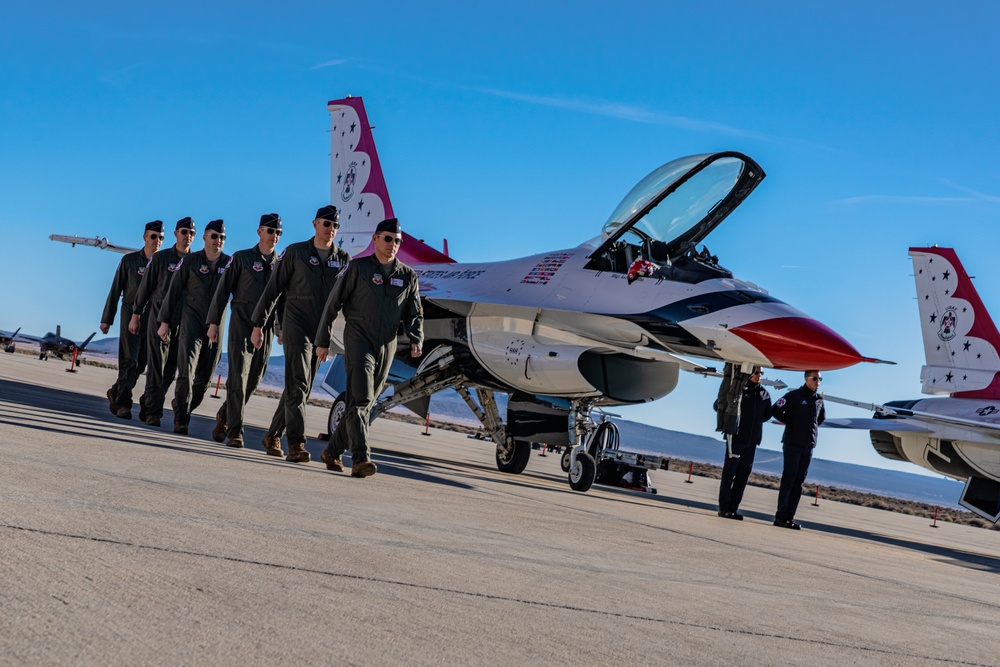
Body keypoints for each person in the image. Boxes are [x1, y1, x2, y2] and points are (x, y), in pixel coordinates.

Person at [315, 217, 423, 478]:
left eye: (397, 241)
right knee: (363, 399)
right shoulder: (358, 268)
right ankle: (361, 459)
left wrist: (417, 337)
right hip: (358, 339)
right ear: (375, 239)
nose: (393, 244)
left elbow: (414, 313)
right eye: (388, 239)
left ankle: (332, 451)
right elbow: (333, 304)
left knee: (360, 402)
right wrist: (323, 340)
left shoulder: (407, 276)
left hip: (387, 344)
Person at [250, 205, 351, 462]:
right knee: (298, 383)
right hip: (296, 323)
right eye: (326, 224)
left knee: (301, 389)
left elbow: (346, 301)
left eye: (335, 226)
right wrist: (259, 324)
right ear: (315, 224)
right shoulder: (295, 252)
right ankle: (296, 443)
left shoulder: (343, 259)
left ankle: (272, 435)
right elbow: (272, 291)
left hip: (321, 331)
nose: (331, 229)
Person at [206, 213, 285, 449]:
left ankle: (224, 414)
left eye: (278, 233)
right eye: (270, 231)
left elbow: (283, 300)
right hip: (242, 321)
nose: (274, 237)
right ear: (260, 231)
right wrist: (213, 323)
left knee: (255, 378)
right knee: (238, 375)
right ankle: (235, 432)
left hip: (267, 327)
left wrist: (281, 329)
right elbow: (222, 292)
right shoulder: (241, 259)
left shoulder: (281, 264)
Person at [157, 219, 231, 434]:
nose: (218, 241)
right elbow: (173, 293)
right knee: (186, 372)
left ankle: (186, 407)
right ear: (205, 237)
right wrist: (164, 322)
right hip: (192, 321)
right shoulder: (190, 262)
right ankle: (181, 418)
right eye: (214, 236)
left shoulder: (230, 264)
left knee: (205, 377)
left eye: (222, 238)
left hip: (216, 326)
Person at [130, 217, 195, 427]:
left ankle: (149, 400)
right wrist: (136, 315)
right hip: (158, 318)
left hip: (183, 321)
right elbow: (145, 289)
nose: (188, 237)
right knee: (156, 365)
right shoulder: (160, 258)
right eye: (184, 232)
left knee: (171, 369)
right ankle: (153, 412)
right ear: (176, 234)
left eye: (191, 233)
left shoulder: (196, 262)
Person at [101, 220, 164, 419]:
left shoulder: (164, 264)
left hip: (153, 316)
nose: (157, 241)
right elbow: (115, 289)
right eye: (153, 236)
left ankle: (116, 390)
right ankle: (123, 403)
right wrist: (107, 319)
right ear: (145, 237)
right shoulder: (130, 261)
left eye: (161, 238)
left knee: (142, 362)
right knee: (130, 360)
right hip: (130, 313)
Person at [772, 370, 826, 529]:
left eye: (820, 378)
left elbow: (821, 418)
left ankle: (789, 517)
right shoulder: (794, 395)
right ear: (807, 379)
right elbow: (775, 409)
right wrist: (791, 422)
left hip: (808, 446)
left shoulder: (819, 400)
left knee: (798, 483)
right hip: (792, 444)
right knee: (789, 480)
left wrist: (811, 431)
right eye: (815, 378)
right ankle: (780, 517)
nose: (818, 382)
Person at [717, 367, 771, 520]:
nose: (759, 375)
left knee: (742, 476)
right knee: (729, 474)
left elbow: (766, 414)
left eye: (761, 373)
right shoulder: (738, 389)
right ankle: (724, 508)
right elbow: (719, 404)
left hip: (752, 441)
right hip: (736, 438)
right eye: (756, 372)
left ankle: (734, 508)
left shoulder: (764, 394)